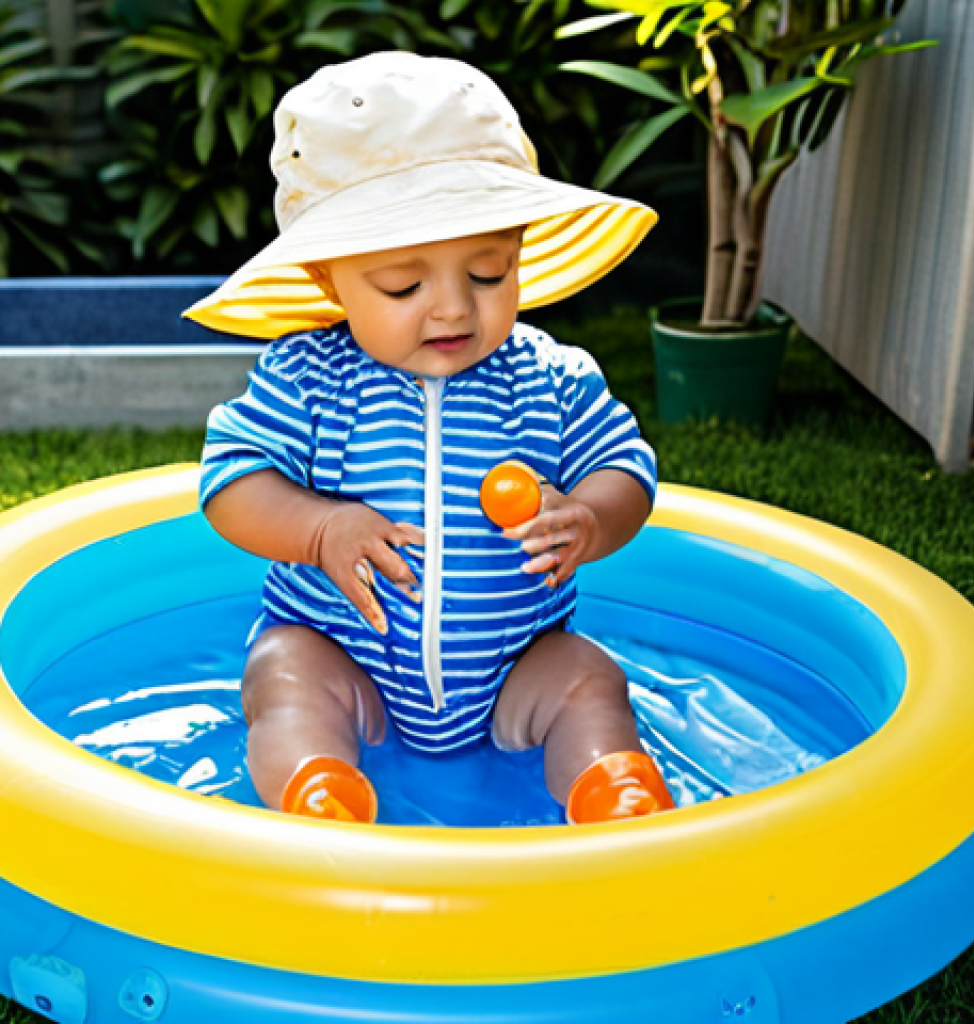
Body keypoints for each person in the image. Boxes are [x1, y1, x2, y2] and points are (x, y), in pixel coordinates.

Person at [184, 51, 675, 826]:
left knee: (588, 676)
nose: (452, 309)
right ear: (327, 278)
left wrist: (589, 518)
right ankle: (320, 794)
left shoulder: (552, 376)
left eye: (488, 273)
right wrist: (320, 529)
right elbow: (231, 482)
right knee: (284, 669)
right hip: (347, 659)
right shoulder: (307, 377)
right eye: (403, 285)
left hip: (516, 669)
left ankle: (614, 795)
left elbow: (624, 469)